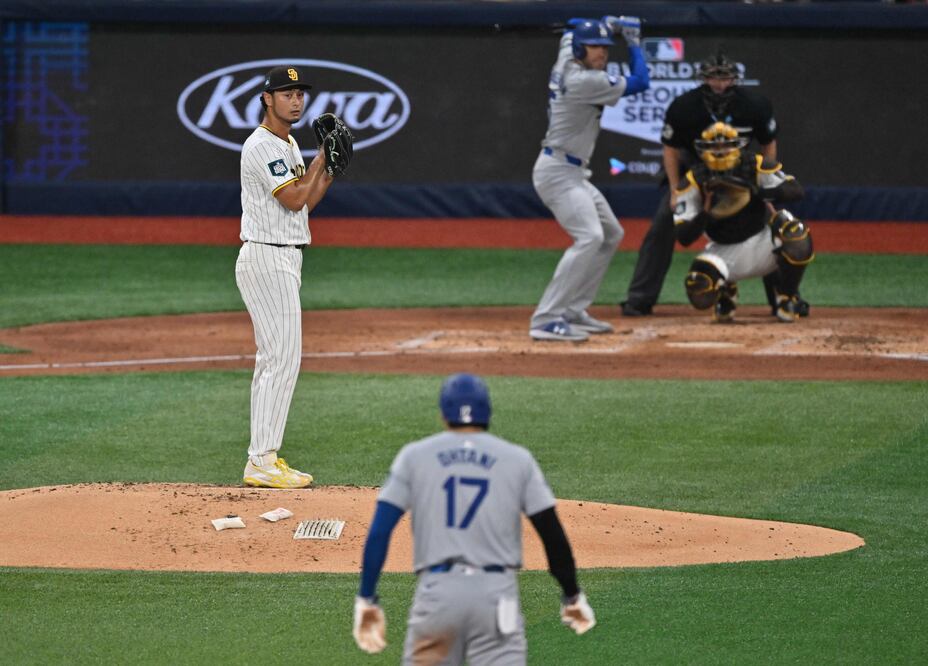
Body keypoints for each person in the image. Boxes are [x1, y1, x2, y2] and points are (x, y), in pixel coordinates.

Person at [352, 373, 596, 663]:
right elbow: (551, 533)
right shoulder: (517, 459)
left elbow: (380, 532)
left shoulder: (414, 456)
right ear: (488, 412)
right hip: (496, 598)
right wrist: (572, 596)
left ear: (443, 415)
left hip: (437, 597)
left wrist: (367, 600)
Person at [621, 51, 807, 318]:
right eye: (713, 78)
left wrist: (765, 184)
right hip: (697, 177)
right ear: (703, 79)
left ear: (735, 79)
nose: (719, 84)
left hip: (741, 174)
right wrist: (675, 190)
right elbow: (670, 149)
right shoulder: (684, 106)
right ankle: (639, 299)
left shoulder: (755, 104)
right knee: (663, 224)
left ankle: (784, 297)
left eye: (725, 78)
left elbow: (768, 144)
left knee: (771, 223)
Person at [236, 65, 334, 488]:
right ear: (267, 99)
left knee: (275, 359)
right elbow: (294, 199)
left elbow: (308, 197)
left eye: (300, 93)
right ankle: (261, 459)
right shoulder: (260, 146)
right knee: (282, 359)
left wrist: (326, 168)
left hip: (284, 259)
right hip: (266, 257)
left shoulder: (288, 142)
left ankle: (263, 457)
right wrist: (319, 161)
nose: (296, 100)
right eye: (287, 93)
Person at [529, 16, 650, 341]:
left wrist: (603, 23)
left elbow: (571, 25)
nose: (603, 53)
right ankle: (546, 318)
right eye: (596, 47)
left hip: (572, 171)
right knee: (590, 237)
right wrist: (634, 41)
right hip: (557, 173)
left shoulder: (568, 50)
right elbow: (641, 81)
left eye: (605, 47)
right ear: (583, 48)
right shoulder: (586, 81)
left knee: (611, 233)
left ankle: (573, 309)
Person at [673, 122, 814, 323]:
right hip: (722, 250)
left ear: (737, 146)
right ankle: (726, 290)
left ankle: (786, 297)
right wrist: (706, 210)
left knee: (796, 234)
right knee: (699, 290)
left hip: (763, 244)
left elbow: (796, 190)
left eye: (726, 145)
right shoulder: (694, 179)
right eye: (714, 147)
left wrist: (756, 191)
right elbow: (684, 237)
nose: (720, 151)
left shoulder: (754, 165)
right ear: (703, 149)